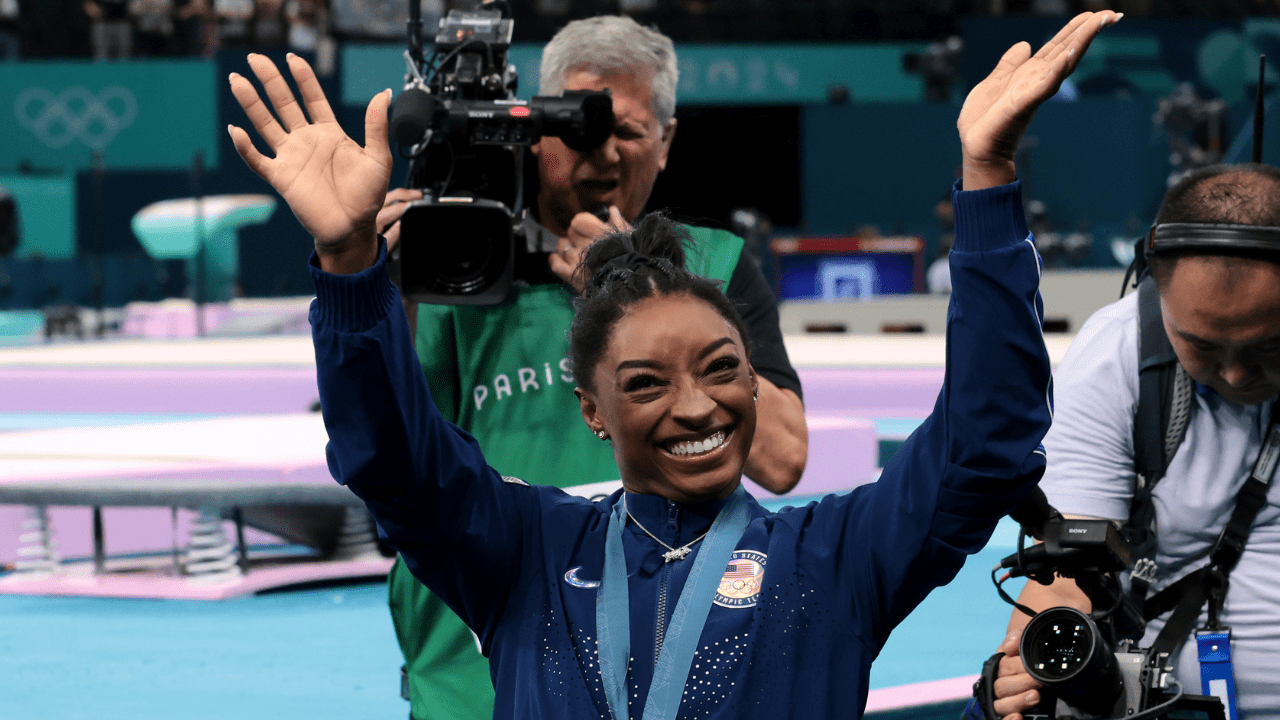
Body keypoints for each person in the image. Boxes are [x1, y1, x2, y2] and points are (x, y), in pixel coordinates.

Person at [227, 10, 1117, 717]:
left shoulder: (831, 560)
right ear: (592, 408)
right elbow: (394, 456)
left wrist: (988, 178)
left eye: (722, 367)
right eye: (645, 383)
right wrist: (349, 264)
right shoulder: (524, 552)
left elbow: (985, 438)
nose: (697, 407)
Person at [377, 16, 809, 720]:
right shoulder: (446, 267)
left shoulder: (713, 265)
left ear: (666, 143)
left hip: (675, 650)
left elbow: (784, 457)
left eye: (629, 131)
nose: (603, 153)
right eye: (578, 126)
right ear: (533, 129)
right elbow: (389, 451)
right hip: (473, 674)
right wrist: (369, 288)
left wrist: (630, 296)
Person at [988, 174, 1280, 713]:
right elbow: (1065, 576)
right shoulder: (1118, 353)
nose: (1237, 375)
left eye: (1269, 345)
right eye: (1202, 345)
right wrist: (1028, 682)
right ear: (1155, 293)